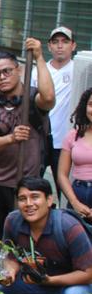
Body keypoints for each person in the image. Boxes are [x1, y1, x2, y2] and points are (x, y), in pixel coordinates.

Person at [0, 42, 55, 247]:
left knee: (24, 238)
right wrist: (11, 138)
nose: (2, 77)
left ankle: (24, 276)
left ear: (18, 70)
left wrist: (39, 57)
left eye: (7, 71)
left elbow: (48, 98)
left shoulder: (32, 97)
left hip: (26, 185)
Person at [32, 26, 77, 180]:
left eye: (65, 41)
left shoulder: (79, 70)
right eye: (55, 42)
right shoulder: (38, 70)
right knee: (34, 183)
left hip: (65, 142)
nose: (60, 46)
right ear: (49, 46)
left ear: (73, 46)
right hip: (40, 140)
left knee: (63, 186)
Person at [57, 88, 92, 217]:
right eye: (91, 105)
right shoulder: (73, 136)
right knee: (74, 235)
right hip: (77, 192)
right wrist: (74, 202)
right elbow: (62, 174)